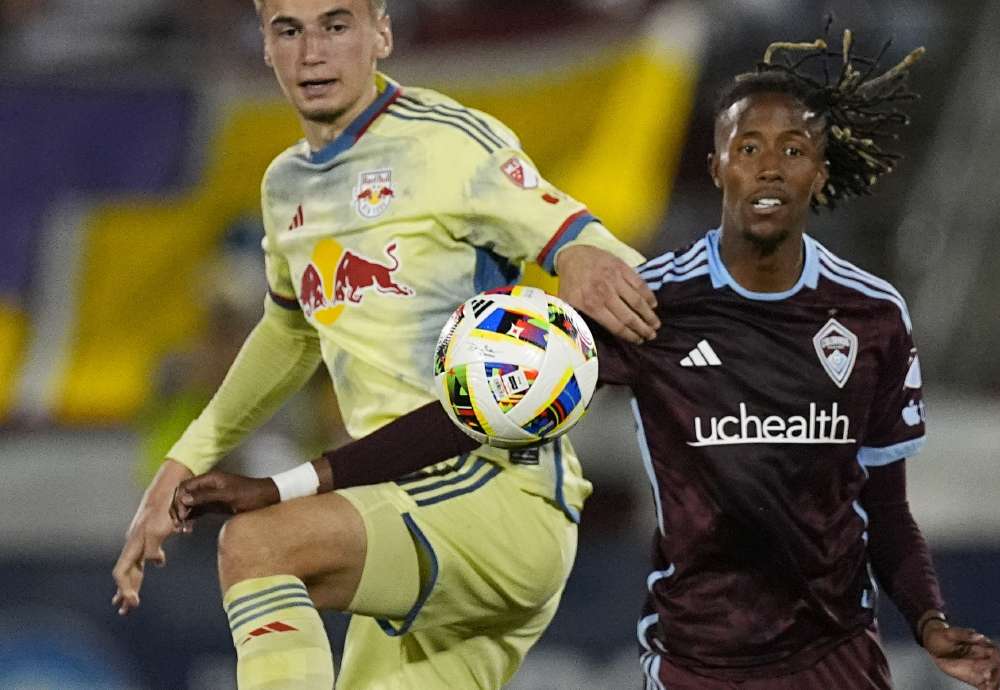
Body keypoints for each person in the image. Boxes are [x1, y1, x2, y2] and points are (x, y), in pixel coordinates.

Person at [178, 29, 1000, 689]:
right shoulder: (651, 306)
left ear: (820, 171)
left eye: (792, 150)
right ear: (715, 164)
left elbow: (884, 507)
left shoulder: (871, 316)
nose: (768, 168)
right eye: (747, 147)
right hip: (700, 662)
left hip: (838, 663)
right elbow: (471, 415)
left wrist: (929, 621)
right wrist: (295, 486)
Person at [110, 0, 659, 688]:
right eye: (289, 30)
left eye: (336, 25)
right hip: (401, 517)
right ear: (266, 47)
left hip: (495, 494)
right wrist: (180, 464)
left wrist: (580, 252)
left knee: (258, 543)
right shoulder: (285, 186)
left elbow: (582, 243)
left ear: (382, 33)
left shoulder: (446, 143)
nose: (312, 51)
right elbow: (287, 334)